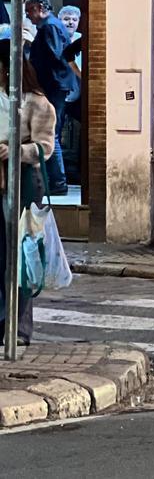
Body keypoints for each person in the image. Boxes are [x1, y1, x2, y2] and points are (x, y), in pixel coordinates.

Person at [0, 40, 55, 345]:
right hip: (0, 178)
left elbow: (45, 148)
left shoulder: (37, 103)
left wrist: (15, 151)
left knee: (20, 255)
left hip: (22, 183)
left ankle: (19, 328)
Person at [24, 0, 72, 195]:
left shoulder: (49, 27)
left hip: (53, 85)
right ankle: (56, 180)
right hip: (55, 84)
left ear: (41, 8)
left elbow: (54, 56)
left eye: (30, 10)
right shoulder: (51, 26)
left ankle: (58, 182)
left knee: (50, 134)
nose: (28, 15)